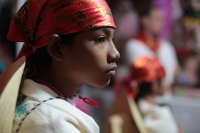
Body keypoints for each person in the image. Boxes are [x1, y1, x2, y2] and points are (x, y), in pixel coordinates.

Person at [5, 0, 120, 133]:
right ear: (57, 48)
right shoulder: (52, 123)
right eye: (100, 39)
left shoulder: (38, 100)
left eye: (113, 40)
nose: (115, 54)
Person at [124, 5, 179, 88]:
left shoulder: (167, 46)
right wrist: (167, 75)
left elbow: (176, 73)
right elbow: (146, 74)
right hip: (142, 98)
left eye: (162, 19)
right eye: (157, 19)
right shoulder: (133, 45)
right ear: (144, 20)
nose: (162, 23)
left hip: (166, 98)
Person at [132, 56, 179, 133]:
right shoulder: (159, 114)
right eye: (164, 80)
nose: (167, 84)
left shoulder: (137, 105)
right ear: (155, 85)